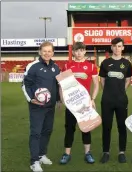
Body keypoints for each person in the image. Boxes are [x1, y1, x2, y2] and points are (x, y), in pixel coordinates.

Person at [22, 41, 61, 172]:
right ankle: (34, 161)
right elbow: (24, 85)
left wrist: (59, 100)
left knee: (47, 131)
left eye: (49, 51)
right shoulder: (32, 66)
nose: (47, 53)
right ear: (40, 52)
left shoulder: (56, 67)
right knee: (36, 133)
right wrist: (31, 99)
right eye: (44, 51)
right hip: (37, 107)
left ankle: (41, 154)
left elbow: (57, 86)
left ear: (53, 53)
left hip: (51, 107)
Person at [59, 42, 99, 164]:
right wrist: (63, 100)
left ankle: (87, 153)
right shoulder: (67, 66)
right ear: (73, 52)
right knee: (69, 129)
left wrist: (92, 99)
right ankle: (67, 154)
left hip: (85, 104)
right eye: (76, 51)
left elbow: (96, 85)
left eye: (81, 50)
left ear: (85, 51)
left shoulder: (91, 67)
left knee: (86, 129)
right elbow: (61, 85)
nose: (79, 53)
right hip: (71, 104)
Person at [99, 37, 132, 163]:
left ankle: (121, 152)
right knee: (106, 127)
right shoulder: (105, 63)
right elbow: (102, 80)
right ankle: (106, 152)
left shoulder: (127, 63)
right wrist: (108, 91)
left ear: (123, 47)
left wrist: (120, 90)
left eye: (119, 46)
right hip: (107, 100)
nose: (117, 48)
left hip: (121, 100)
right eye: (114, 46)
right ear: (111, 47)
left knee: (121, 126)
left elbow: (128, 79)